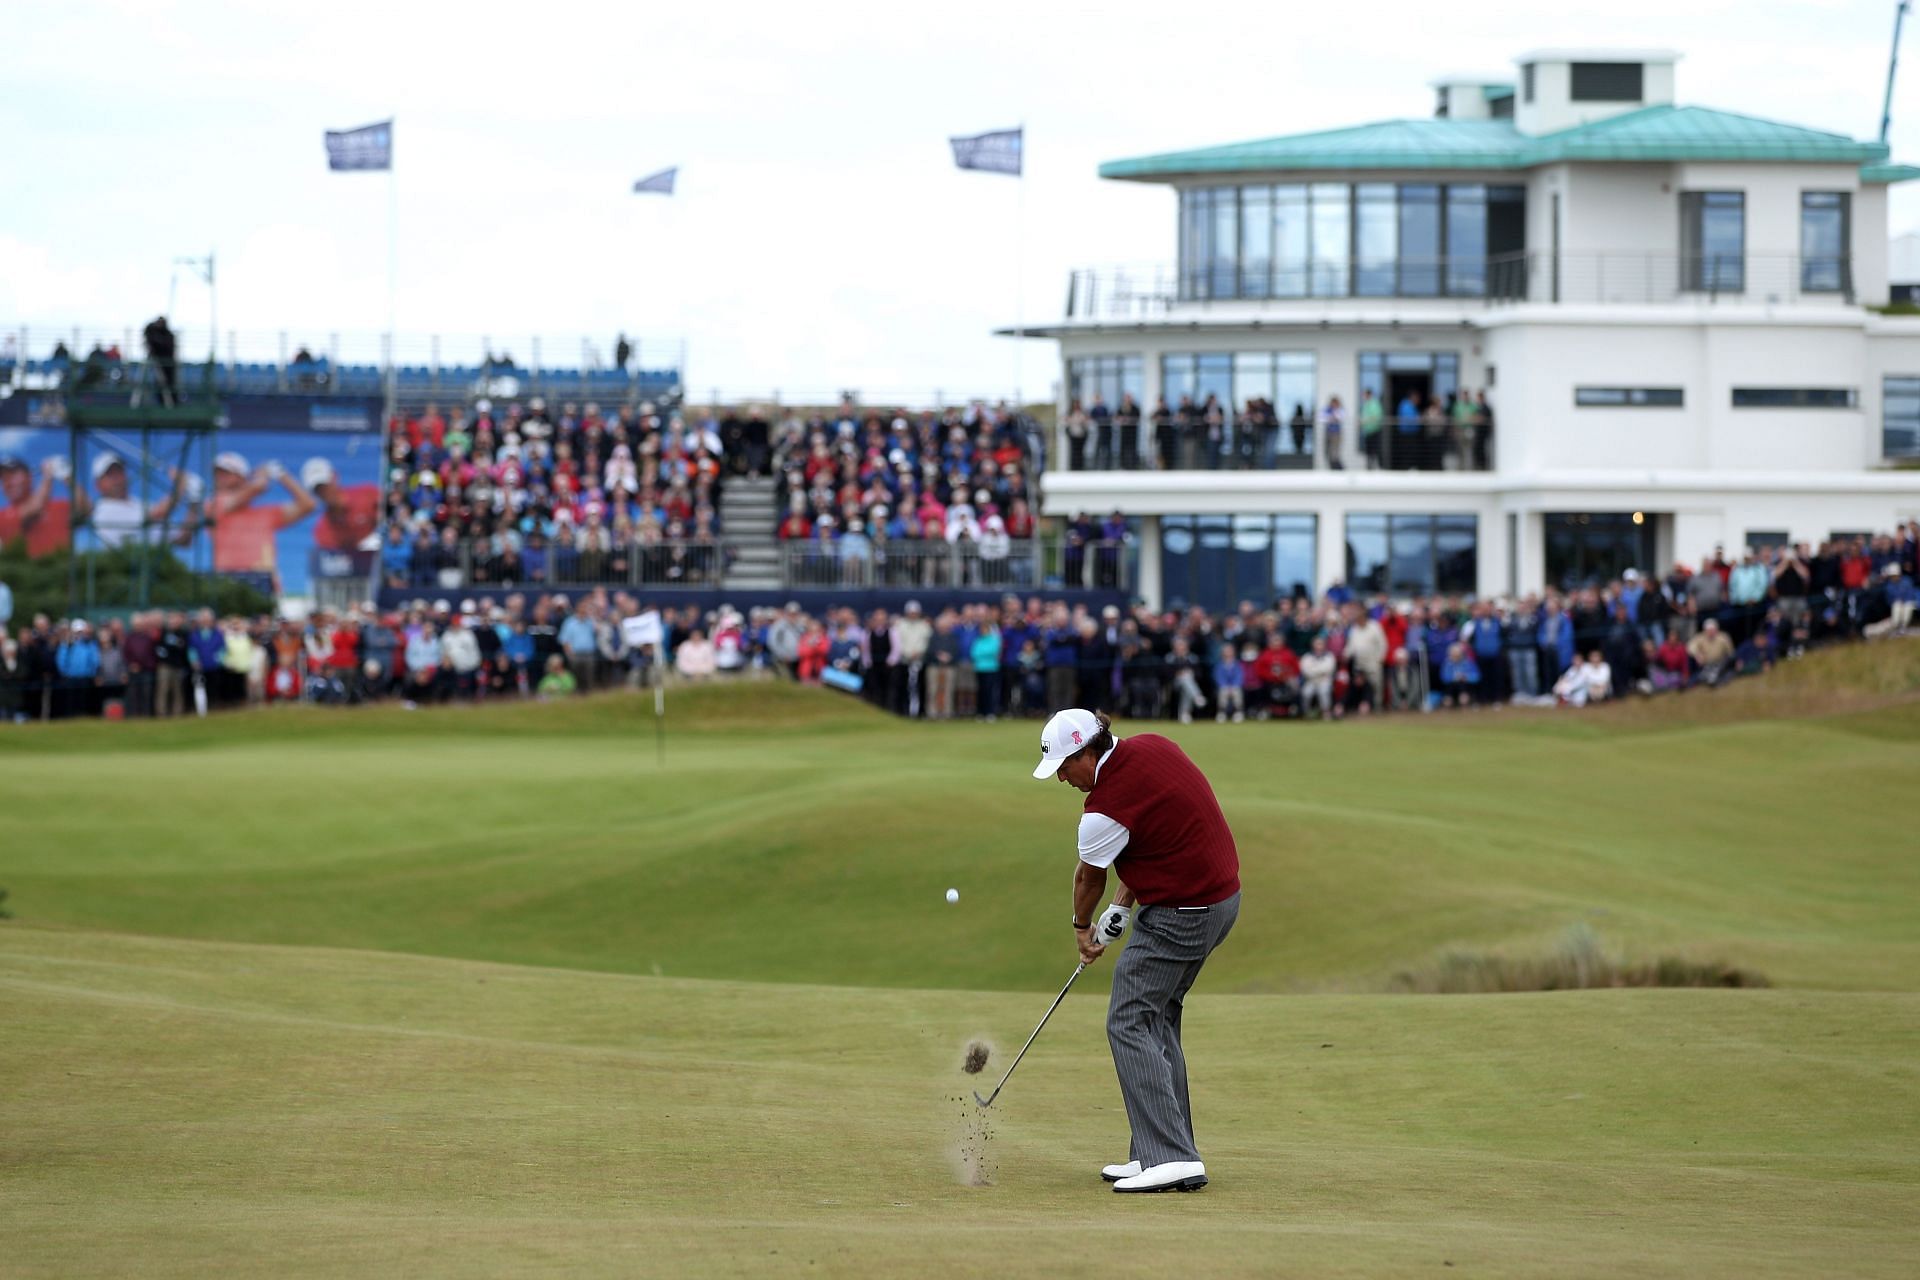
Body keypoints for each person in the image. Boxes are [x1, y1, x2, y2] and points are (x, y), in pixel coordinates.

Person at [1029, 708, 1241, 1194]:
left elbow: (1088, 878)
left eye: (1064, 765)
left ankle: (1171, 1156)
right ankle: (1157, 1148)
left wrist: (1083, 929)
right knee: (1156, 1016)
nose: (1062, 777)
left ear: (1087, 751)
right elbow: (1157, 839)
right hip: (1220, 900)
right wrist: (1123, 906)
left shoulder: (1102, 809)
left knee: (1128, 1018)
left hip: (1184, 912)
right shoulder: (1153, 746)